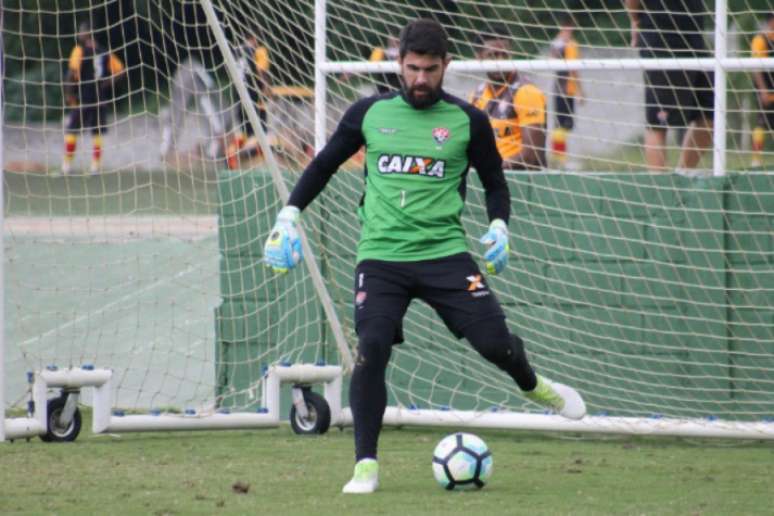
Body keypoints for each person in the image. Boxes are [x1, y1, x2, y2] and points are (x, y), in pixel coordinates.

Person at [262, 19, 585, 494]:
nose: (419, 79)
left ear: (445, 66)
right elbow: (323, 164)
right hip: (381, 258)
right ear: (399, 64)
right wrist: (289, 215)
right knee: (371, 349)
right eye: (412, 68)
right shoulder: (368, 114)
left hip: (446, 256)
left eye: (430, 70)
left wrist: (499, 225)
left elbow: (495, 182)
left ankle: (535, 384)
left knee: (495, 345)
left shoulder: (468, 120)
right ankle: (365, 466)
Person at [626, 0, 713, 172]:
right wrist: (635, 19)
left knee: (712, 112)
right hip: (662, 40)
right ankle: (658, 190)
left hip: (694, 39)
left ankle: (682, 175)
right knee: (658, 122)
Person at [469, 26, 547, 170]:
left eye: (504, 55)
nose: (500, 62)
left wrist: (489, 168)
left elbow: (531, 155)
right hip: (490, 181)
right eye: (493, 56)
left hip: (522, 183)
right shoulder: (476, 95)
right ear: (479, 57)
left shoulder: (526, 92)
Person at [61, 22, 126, 175]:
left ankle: (66, 166)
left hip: (83, 97)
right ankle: (95, 167)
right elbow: (120, 71)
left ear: (87, 33)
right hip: (100, 98)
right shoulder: (103, 51)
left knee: (72, 130)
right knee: (97, 132)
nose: (78, 34)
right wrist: (106, 83)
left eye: (81, 32)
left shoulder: (79, 50)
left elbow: (71, 73)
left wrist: (69, 94)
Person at [159, 56, 230, 162]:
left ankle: (212, 150)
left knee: (210, 112)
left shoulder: (196, 74)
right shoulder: (184, 77)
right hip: (186, 85)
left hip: (198, 85)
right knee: (175, 117)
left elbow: (209, 86)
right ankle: (165, 149)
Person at [226, 34, 271, 170]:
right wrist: (266, 89)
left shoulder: (237, 51)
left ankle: (231, 159)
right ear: (255, 38)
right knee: (259, 134)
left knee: (245, 134)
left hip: (239, 100)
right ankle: (260, 165)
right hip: (254, 99)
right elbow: (261, 71)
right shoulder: (258, 51)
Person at [549, 17, 584, 168]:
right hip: (565, 89)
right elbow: (573, 69)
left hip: (559, 89)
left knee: (562, 125)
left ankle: (559, 159)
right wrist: (580, 91)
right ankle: (560, 160)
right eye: (567, 29)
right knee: (564, 125)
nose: (569, 32)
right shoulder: (569, 45)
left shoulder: (556, 44)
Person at [750, 13, 774, 168]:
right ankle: (756, 160)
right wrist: (763, 90)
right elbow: (756, 68)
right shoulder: (761, 40)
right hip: (767, 91)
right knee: (762, 124)